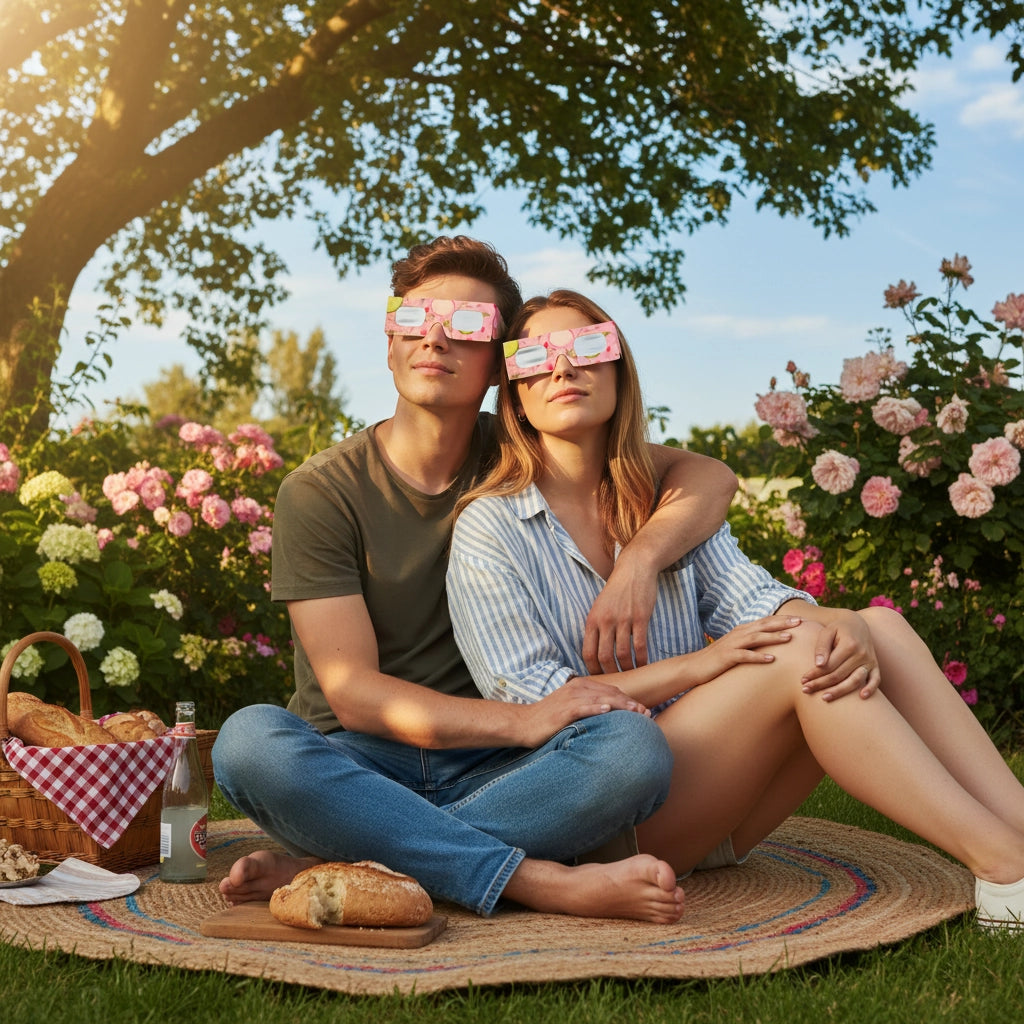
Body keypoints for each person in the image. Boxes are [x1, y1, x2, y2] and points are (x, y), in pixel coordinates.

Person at [446, 288, 1024, 932]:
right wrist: (704, 665)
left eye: (586, 346)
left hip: (719, 798)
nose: (562, 368)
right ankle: (1005, 868)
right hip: (606, 815)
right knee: (806, 650)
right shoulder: (490, 528)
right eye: (535, 357)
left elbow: (753, 602)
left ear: (618, 368)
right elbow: (538, 710)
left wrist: (844, 620)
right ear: (515, 392)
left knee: (878, 628)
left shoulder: (665, 508)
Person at [212, 236, 741, 923]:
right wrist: (526, 720)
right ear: (390, 336)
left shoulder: (529, 448)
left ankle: (349, 862)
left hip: (510, 770)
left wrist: (639, 560)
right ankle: (538, 882)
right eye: (415, 317)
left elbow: (707, 476)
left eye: (467, 326)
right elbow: (355, 697)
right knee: (249, 741)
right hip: (359, 767)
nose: (435, 338)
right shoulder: (322, 490)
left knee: (633, 748)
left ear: (499, 363)